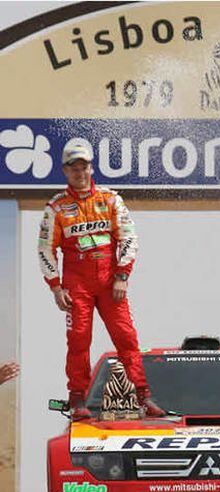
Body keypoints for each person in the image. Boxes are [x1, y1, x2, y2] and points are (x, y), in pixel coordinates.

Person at [38, 144, 164, 420]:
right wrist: (56, 287)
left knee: (126, 337)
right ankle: (77, 400)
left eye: (83, 166)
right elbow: (46, 248)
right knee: (79, 339)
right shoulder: (56, 207)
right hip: (76, 283)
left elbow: (129, 238)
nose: (79, 172)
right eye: (74, 167)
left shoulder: (110, 200)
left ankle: (142, 396)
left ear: (91, 168)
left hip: (109, 281)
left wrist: (122, 276)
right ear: (65, 171)